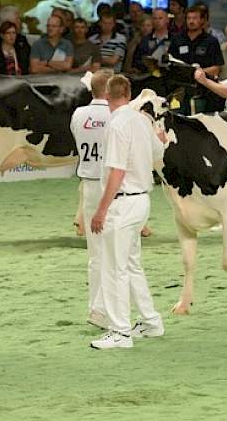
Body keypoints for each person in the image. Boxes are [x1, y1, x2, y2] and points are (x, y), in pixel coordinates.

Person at [88, 75, 166, 349]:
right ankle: (150, 321)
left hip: (123, 203)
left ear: (107, 96)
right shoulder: (141, 120)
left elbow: (117, 172)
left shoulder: (117, 124)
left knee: (114, 268)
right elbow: (161, 149)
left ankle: (120, 332)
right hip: (141, 200)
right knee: (131, 265)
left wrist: (100, 210)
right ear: (129, 93)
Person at [69, 68, 114, 330]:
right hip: (111, 186)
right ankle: (103, 309)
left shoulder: (78, 114)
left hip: (88, 185)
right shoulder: (117, 116)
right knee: (115, 253)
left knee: (95, 252)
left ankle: (95, 307)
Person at [169, 5, 223, 112]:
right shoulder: (177, 39)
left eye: (195, 18)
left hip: (204, 89)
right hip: (179, 88)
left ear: (202, 20)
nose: (191, 21)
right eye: (189, 18)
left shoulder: (211, 41)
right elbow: (170, 62)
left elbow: (217, 68)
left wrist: (196, 73)